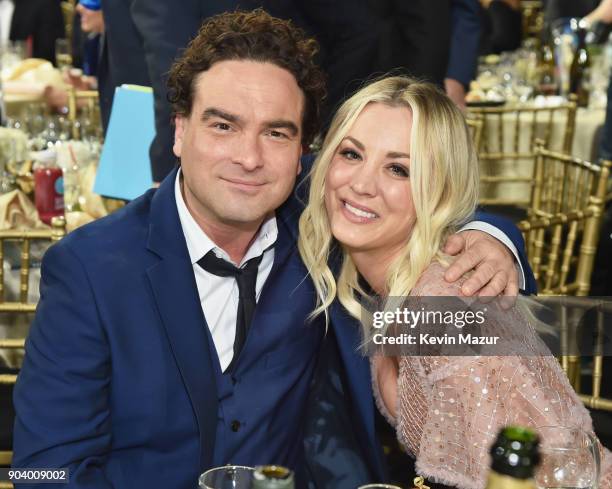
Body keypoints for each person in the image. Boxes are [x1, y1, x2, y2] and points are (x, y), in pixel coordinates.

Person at [13, 11, 533, 489]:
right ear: (179, 132)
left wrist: (491, 239)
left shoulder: (325, 214)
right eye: (223, 125)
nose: (249, 157)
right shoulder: (89, 268)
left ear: (304, 152)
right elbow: (44, 469)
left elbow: (425, 198)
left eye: (277, 133)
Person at [298, 76, 612, 489]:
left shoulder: (444, 312)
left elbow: (538, 477)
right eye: (351, 154)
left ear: (440, 191)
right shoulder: (385, 285)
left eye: (398, 169)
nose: (360, 184)